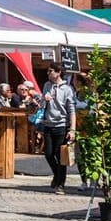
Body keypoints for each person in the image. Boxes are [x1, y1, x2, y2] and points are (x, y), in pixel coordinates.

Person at [40, 65, 76, 193]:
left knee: (60, 155)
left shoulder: (67, 89)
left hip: (61, 124)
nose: (48, 73)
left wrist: (72, 129)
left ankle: (61, 183)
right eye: (48, 71)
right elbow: (42, 104)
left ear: (58, 72)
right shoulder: (47, 85)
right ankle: (57, 174)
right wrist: (44, 99)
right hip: (48, 123)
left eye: (51, 71)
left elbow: (71, 110)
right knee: (48, 154)